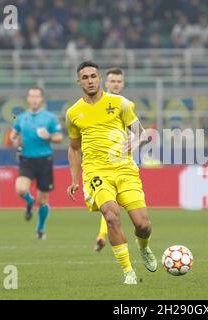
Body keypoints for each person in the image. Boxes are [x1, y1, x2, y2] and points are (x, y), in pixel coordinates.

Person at [66, 61, 157, 284]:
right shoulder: (73, 113)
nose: (90, 80)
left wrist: (134, 145)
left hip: (125, 170)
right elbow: (74, 148)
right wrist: (74, 179)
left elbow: (144, 135)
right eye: (85, 77)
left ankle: (143, 246)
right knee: (111, 215)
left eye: (93, 76)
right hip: (96, 173)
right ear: (79, 82)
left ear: (100, 79)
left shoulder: (120, 104)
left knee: (143, 225)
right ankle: (128, 272)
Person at [10, 87, 63, 239]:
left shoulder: (49, 118)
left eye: (37, 97)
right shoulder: (21, 118)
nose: (34, 99)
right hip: (26, 160)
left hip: (44, 160)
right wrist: (15, 140)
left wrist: (49, 136)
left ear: (41, 99)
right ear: (27, 99)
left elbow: (59, 137)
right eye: (31, 96)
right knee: (20, 190)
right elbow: (14, 136)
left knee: (43, 200)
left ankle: (40, 229)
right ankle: (29, 201)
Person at [94, 67, 126, 252]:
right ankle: (102, 235)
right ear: (105, 83)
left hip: (122, 161)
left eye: (119, 81)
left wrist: (134, 141)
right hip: (100, 162)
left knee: (113, 204)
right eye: (112, 81)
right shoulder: (97, 103)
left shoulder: (125, 105)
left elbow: (137, 133)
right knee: (110, 203)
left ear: (123, 84)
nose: (116, 84)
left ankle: (102, 235)